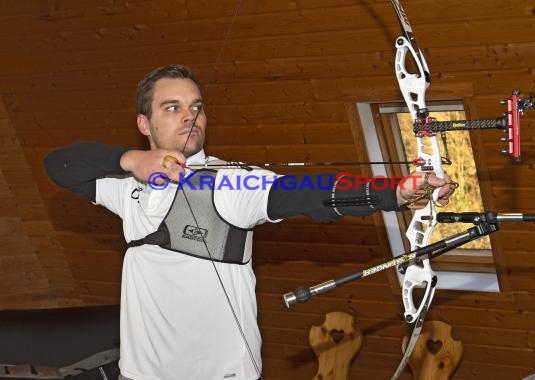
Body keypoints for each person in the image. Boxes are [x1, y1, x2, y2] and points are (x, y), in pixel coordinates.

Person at [44, 65, 455, 380]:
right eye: (173, 108)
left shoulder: (229, 181)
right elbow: (59, 165)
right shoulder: (127, 187)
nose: (190, 117)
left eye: (197, 107)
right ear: (144, 124)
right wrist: (134, 161)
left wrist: (394, 192)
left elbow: (307, 192)